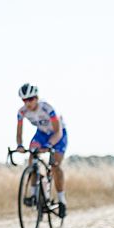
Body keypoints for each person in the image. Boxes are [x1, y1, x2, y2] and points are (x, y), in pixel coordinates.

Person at [14, 83, 67, 217]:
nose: (28, 103)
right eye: (24, 100)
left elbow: (58, 131)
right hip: (42, 133)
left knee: (55, 166)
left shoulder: (47, 108)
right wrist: (20, 145)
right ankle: (34, 194)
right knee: (32, 155)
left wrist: (49, 145)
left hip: (58, 134)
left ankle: (62, 200)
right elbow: (19, 133)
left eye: (30, 99)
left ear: (36, 98)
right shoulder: (22, 112)